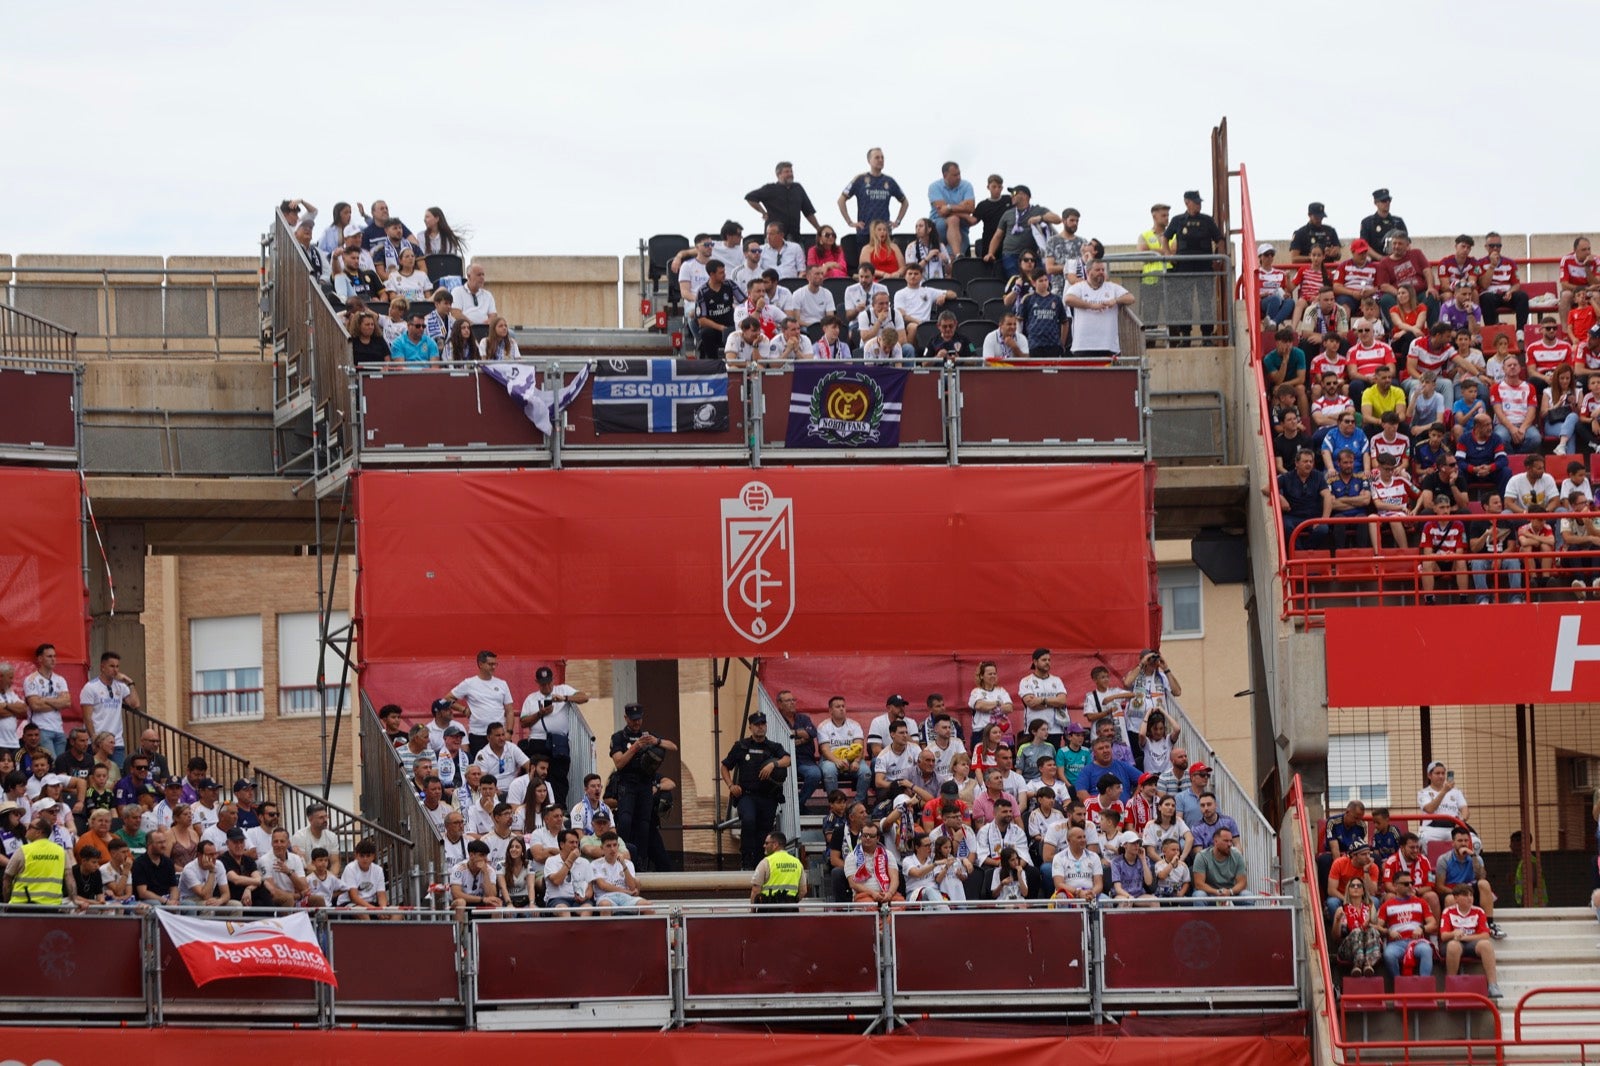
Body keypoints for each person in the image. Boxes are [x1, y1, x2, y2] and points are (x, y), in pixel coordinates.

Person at [721, 712, 790, 870]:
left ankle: (760, 864)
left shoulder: (773, 747)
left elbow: (787, 759)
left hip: (768, 797)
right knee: (749, 821)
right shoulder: (741, 746)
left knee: (764, 831)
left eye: (763, 724)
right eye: (757, 724)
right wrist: (731, 785)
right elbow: (725, 766)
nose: (760, 727)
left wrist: (773, 765)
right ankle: (746, 860)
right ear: (750, 727)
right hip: (747, 796)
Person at [609, 703, 675, 870]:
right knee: (625, 821)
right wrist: (636, 747)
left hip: (645, 784)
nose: (636, 723)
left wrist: (656, 741)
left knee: (644, 825)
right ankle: (622, 858)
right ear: (626, 718)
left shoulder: (648, 736)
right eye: (633, 720)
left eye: (639, 719)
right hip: (627, 784)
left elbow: (673, 746)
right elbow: (619, 763)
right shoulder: (618, 738)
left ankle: (641, 864)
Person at [518, 665, 586, 807]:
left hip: (558, 742)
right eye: (543, 684)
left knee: (559, 777)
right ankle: (537, 806)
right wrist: (540, 714)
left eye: (549, 682)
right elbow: (523, 721)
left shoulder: (562, 689)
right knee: (538, 777)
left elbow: (584, 697)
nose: (547, 686)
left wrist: (565, 698)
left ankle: (558, 808)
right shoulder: (531, 699)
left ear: (553, 680)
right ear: (537, 683)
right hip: (538, 741)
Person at [1163, 190, 1224, 346]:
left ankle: (1207, 336)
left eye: (1199, 202)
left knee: (1205, 302)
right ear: (1186, 202)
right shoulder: (1178, 220)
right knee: (1185, 302)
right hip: (1184, 267)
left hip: (1204, 266)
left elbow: (1220, 240)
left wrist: (1219, 258)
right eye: (1195, 202)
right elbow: (1166, 237)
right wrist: (1168, 254)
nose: (1198, 205)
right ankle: (1185, 336)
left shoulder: (1207, 220)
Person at [443, 650, 514, 759]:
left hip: (499, 734)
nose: (494, 667)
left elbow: (509, 711)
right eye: (490, 664)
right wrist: (463, 709)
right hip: (478, 734)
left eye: (495, 664)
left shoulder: (502, 684)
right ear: (480, 664)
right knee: (480, 768)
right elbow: (447, 698)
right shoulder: (469, 683)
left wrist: (509, 732)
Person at [984, 185, 1062, 275]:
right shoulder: (1008, 213)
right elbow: (998, 235)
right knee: (1016, 282)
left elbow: (1057, 219)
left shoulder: (1038, 210)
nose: (1011, 196)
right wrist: (990, 253)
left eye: (1014, 193)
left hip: (1032, 257)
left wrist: (1040, 218)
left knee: (1037, 281)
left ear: (1025, 195)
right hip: (1011, 255)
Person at [1064, 260, 1135, 358]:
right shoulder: (1079, 287)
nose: (1101, 272)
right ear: (1088, 272)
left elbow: (1131, 298)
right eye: (1097, 270)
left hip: (1108, 345)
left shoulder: (1112, 287)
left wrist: (1115, 300)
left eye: (1103, 270)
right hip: (1083, 346)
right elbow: (1068, 299)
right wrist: (1092, 306)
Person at [838, 147, 908, 238]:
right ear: (869, 160)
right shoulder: (860, 179)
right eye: (877, 157)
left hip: (884, 234)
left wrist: (897, 222)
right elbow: (841, 200)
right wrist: (850, 222)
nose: (880, 160)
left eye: (882, 158)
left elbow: (905, 202)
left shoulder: (889, 181)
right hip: (865, 232)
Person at [1376, 871, 1436, 977]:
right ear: (1395, 886)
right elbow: (1377, 926)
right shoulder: (1387, 905)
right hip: (1396, 943)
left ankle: (1425, 986)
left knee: (1426, 950)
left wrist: (1422, 928)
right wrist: (1389, 931)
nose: (1410, 886)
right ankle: (1399, 984)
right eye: (1406, 884)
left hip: (1417, 942)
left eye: (1411, 883)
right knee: (1389, 955)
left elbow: (1433, 923)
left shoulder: (1420, 902)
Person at [746, 161, 820, 240]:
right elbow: (750, 198)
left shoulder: (798, 188)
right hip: (774, 237)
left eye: (791, 171)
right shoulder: (770, 189)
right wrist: (763, 212)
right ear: (779, 174)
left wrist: (819, 229)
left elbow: (808, 212)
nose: (790, 174)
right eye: (787, 172)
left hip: (794, 236)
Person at [817, 695, 870, 799]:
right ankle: (835, 804)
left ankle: (858, 804)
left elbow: (859, 747)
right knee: (829, 771)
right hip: (831, 759)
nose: (841, 709)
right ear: (830, 711)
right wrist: (837, 761)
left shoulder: (855, 725)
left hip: (852, 758)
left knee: (866, 773)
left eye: (843, 706)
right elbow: (825, 750)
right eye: (838, 707)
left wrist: (856, 761)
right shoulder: (823, 726)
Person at [23, 644, 70, 759]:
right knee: (51, 763)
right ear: (40, 659)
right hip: (42, 728)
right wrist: (58, 702)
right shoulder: (31, 679)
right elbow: (35, 705)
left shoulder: (60, 679)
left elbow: (68, 703)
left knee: (60, 765)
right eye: (49, 656)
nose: (53, 659)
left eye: (54, 656)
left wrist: (45, 700)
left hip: (59, 729)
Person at [1332, 877, 1384, 976]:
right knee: (1357, 931)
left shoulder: (1370, 908)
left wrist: (1368, 924)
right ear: (1348, 890)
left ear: (1363, 890)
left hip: (1369, 946)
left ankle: (1367, 964)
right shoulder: (1342, 909)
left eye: (1359, 886)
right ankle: (1358, 964)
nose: (1356, 887)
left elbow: (1378, 931)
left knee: (1371, 930)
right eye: (1352, 886)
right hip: (1348, 949)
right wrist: (1338, 920)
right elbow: (1336, 937)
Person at [591, 831, 653, 912]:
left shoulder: (628, 863)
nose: (612, 849)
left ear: (618, 846)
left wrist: (623, 865)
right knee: (605, 906)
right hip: (605, 897)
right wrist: (627, 892)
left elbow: (632, 887)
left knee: (648, 906)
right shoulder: (595, 864)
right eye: (608, 846)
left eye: (614, 845)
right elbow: (603, 886)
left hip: (626, 898)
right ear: (602, 848)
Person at [927, 162, 977, 257]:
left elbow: (971, 207)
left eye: (959, 174)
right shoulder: (934, 187)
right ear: (945, 175)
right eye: (955, 175)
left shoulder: (966, 186)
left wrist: (949, 207)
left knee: (950, 261)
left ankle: (956, 257)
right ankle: (958, 254)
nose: (958, 177)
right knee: (953, 219)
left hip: (961, 229)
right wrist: (965, 214)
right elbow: (942, 212)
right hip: (939, 225)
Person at [1191, 826, 1248, 904]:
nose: (1229, 844)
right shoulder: (1202, 856)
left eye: (1231, 841)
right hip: (1210, 894)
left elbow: (1242, 883)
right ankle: (1201, 917)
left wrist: (1230, 892)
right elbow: (1199, 884)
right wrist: (1218, 892)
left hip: (1230, 893)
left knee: (1247, 895)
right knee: (1199, 895)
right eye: (1226, 841)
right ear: (1215, 842)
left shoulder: (1237, 855)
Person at [749, 830, 806, 909]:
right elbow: (803, 890)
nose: (764, 846)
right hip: (790, 910)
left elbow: (755, 890)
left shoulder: (766, 862)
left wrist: (753, 911)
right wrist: (792, 902)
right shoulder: (797, 863)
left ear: (775, 844)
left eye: (767, 843)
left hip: (769, 910)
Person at [1418, 761, 1470, 846]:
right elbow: (1430, 809)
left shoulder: (1456, 792)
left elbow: (1465, 810)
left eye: (1443, 773)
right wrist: (1444, 791)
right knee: (1422, 840)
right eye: (1437, 773)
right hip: (1431, 829)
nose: (1441, 776)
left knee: (1475, 841)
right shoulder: (1423, 793)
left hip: (1453, 828)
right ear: (1429, 776)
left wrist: (1461, 821)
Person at [449, 839, 503, 915]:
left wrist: (485, 873)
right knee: (460, 902)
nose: (486, 859)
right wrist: (482, 899)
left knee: (495, 902)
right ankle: (459, 927)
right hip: (464, 903)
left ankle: (493, 927)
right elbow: (456, 894)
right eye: (482, 855)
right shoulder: (459, 869)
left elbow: (491, 895)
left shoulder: (489, 870)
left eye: (486, 856)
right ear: (471, 855)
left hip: (481, 903)